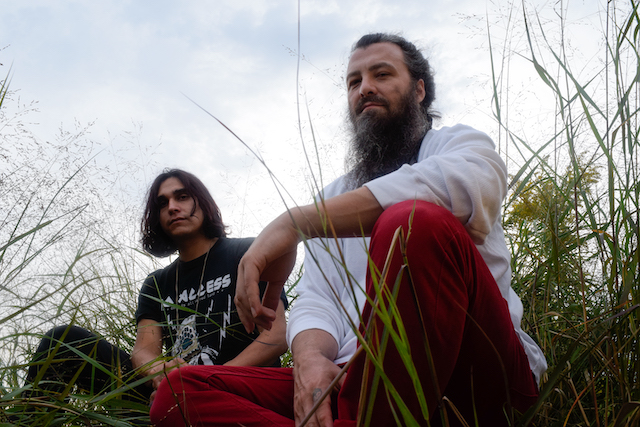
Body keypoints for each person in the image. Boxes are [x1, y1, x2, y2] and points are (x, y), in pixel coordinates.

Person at [149, 33, 547, 427]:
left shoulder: (461, 145)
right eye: (354, 82)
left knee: (411, 221)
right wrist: (310, 361)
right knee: (177, 394)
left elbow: (457, 186)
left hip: (474, 371)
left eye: (381, 74)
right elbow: (317, 300)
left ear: (419, 90)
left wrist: (297, 222)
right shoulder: (333, 196)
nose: (365, 88)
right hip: (353, 378)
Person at [26, 169, 288, 408]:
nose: (172, 207)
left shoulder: (247, 253)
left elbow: (275, 337)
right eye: (163, 203)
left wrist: (209, 379)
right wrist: (159, 372)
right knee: (63, 341)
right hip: (171, 393)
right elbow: (145, 350)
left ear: (203, 203)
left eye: (182, 197)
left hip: (240, 388)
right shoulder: (157, 283)